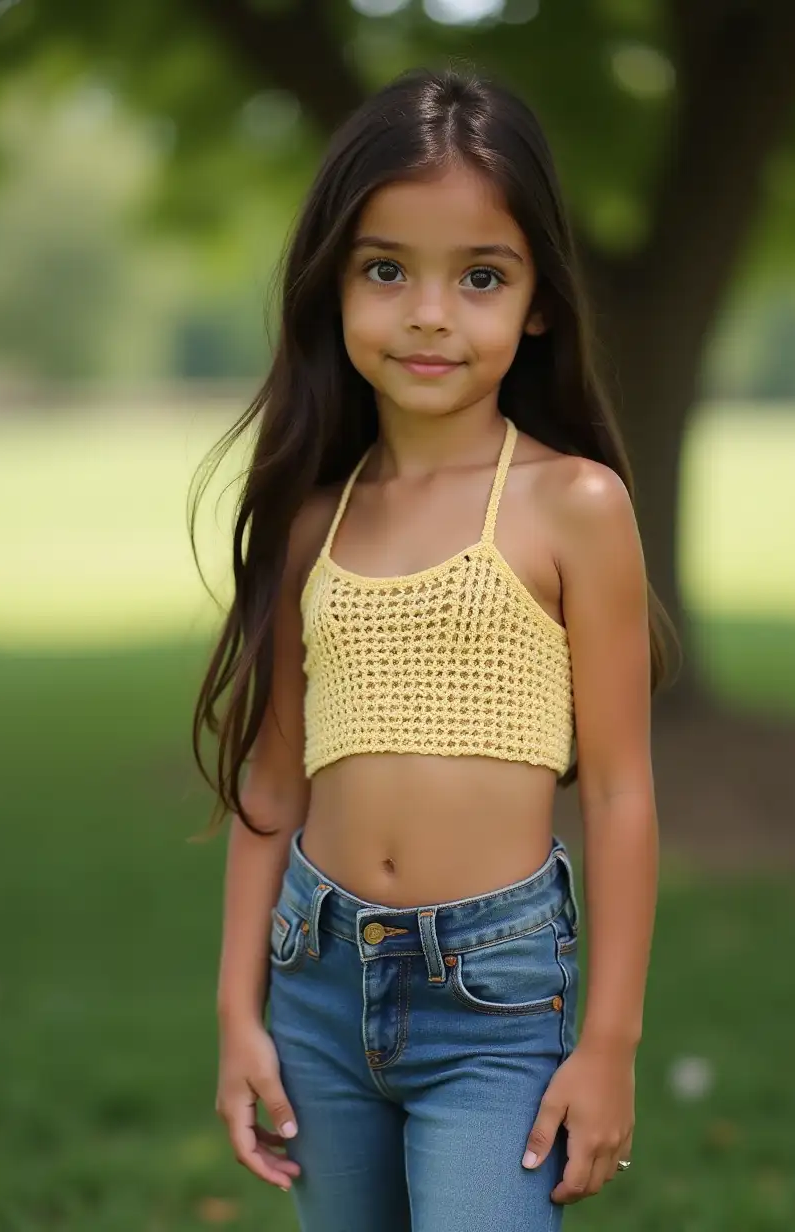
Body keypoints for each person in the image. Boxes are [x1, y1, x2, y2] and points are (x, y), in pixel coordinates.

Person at [190, 65, 673, 1232]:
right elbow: (272, 778)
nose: (428, 313)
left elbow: (616, 793)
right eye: (387, 268)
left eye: (482, 276)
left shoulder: (576, 506)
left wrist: (607, 1040)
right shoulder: (316, 516)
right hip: (314, 980)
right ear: (336, 284)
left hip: (494, 1001)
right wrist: (236, 1010)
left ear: (539, 301)